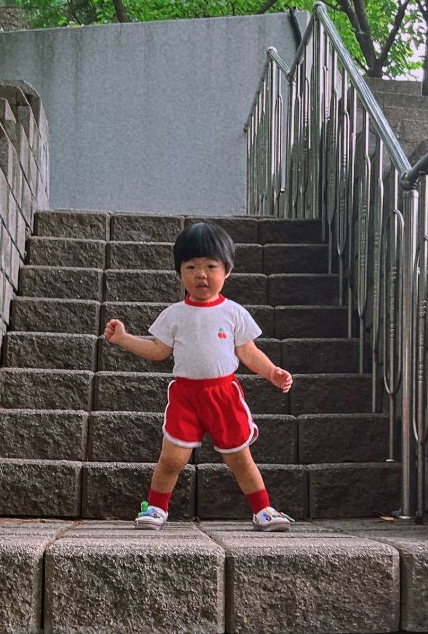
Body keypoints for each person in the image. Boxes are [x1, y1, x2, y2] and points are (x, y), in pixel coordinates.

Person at [103, 221, 294, 532]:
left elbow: (248, 351)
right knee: (172, 459)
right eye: (190, 267)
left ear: (227, 270)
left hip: (224, 396)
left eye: (210, 266)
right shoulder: (175, 314)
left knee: (240, 458)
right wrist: (124, 339)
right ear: (179, 272)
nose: (200, 274)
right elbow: (158, 350)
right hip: (186, 397)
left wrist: (272, 372)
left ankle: (263, 510)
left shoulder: (233, 313)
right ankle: (156, 507)